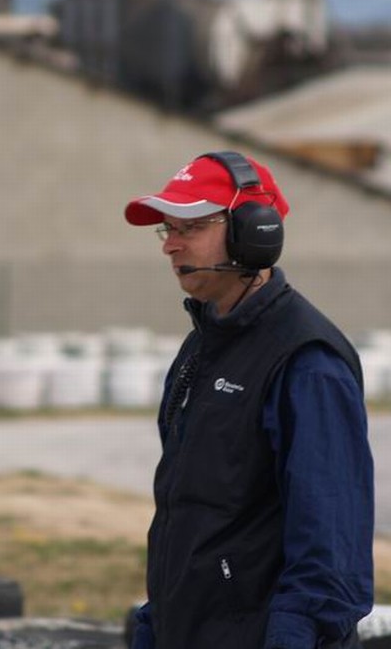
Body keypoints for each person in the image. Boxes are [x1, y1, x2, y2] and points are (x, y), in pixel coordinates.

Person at [124, 151, 374, 649]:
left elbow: (330, 543)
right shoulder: (202, 347)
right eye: (168, 229)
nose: (170, 245)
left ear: (253, 232)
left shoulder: (307, 362)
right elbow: (191, 512)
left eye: (191, 227)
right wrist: (154, 624)